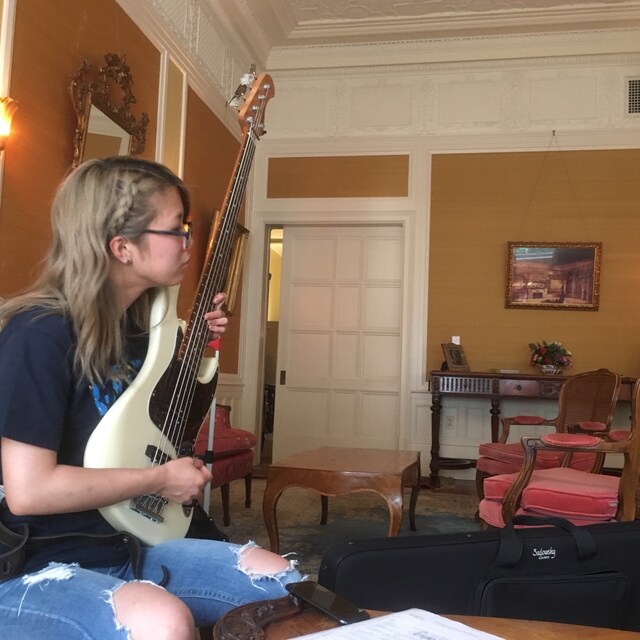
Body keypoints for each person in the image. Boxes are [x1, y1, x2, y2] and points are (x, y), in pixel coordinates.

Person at [0, 156, 302, 639]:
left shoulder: (145, 334)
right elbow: (30, 490)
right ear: (122, 246)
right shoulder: (38, 334)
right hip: (39, 561)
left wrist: (198, 349)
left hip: (132, 541)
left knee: (285, 587)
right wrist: (160, 478)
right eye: (176, 229)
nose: (188, 243)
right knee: (162, 620)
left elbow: (166, 428)